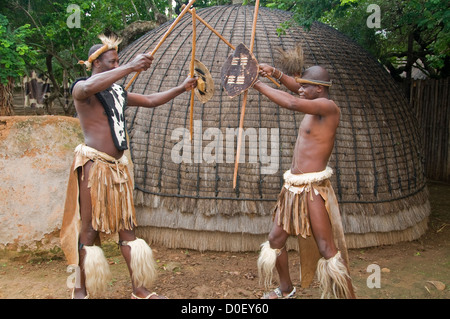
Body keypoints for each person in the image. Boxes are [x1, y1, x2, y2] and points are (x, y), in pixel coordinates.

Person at [60, 34, 197, 299]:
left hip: (119, 169)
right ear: (95, 63)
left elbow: (151, 100)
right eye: (111, 62)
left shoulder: (118, 92)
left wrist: (181, 87)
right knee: (88, 230)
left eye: (118, 62)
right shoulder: (82, 88)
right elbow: (87, 88)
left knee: (128, 231)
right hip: (94, 167)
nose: (116, 66)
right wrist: (131, 66)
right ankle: (79, 290)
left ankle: (140, 289)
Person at [253, 61, 356, 299]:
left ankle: (347, 296)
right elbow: (295, 90)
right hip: (292, 188)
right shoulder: (314, 100)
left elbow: (291, 101)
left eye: (305, 86)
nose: (299, 89)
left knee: (326, 249)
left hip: (313, 190)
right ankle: (286, 289)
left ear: (319, 89)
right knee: (275, 239)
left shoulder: (327, 107)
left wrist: (256, 84)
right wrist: (275, 73)